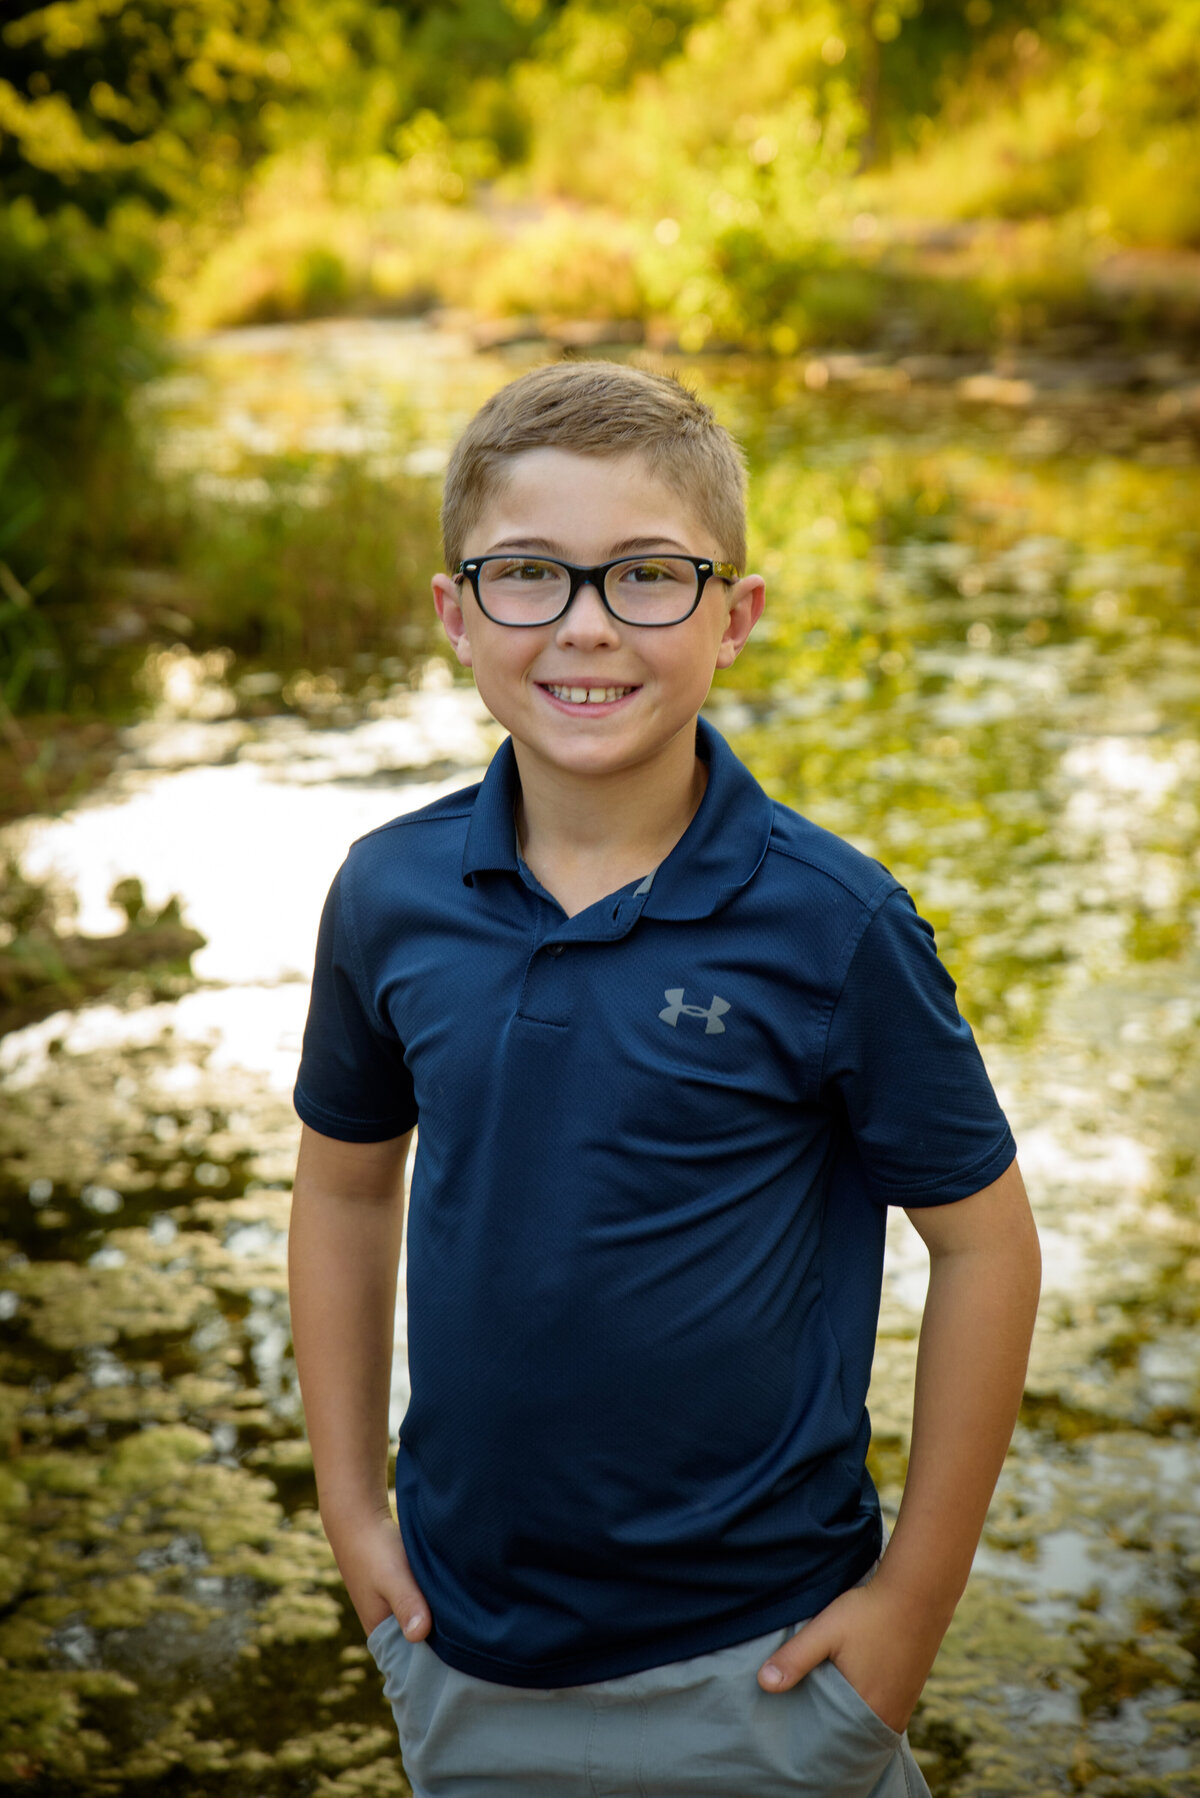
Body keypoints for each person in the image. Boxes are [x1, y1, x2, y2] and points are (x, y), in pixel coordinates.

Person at [287, 360, 1041, 1798]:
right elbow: (342, 1189)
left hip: (764, 1664)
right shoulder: (387, 894)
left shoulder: (834, 925)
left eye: (646, 575)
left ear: (734, 615)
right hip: (461, 1644)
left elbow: (985, 1242)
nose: (583, 625)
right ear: (455, 612)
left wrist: (910, 1609)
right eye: (527, 574)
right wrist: (348, 1506)